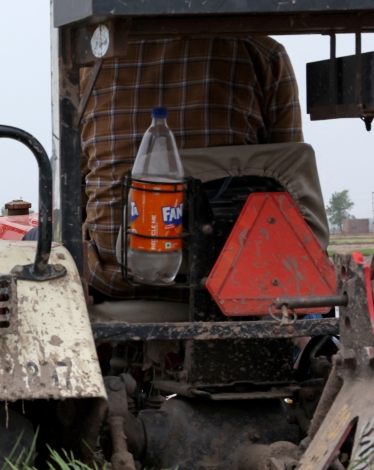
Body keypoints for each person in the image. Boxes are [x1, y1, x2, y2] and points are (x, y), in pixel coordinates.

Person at [79, 36, 302, 299]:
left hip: (116, 275)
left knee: (35, 238)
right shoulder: (263, 53)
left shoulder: (89, 57)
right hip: (236, 273)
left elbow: (75, 179)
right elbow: (287, 177)